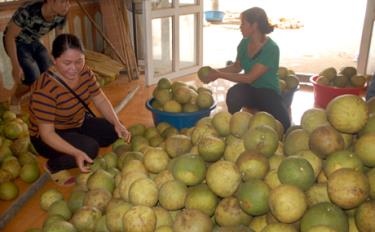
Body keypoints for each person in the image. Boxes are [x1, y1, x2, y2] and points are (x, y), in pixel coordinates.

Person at [29, 33, 131, 186]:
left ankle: (80, 142)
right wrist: (75, 152)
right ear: (54, 59)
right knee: (90, 149)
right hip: (48, 136)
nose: (74, 68)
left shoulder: (85, 73)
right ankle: (54, 166)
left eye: (79, 61)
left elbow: (100, 99)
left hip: (76, 123)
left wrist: (117, 123)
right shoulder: (45, 89)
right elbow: (47, 134)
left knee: (113, 130)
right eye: (67, 63)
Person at [203, 7, 291, 130]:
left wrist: (219, 74)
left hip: (268, 92)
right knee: (233, 95)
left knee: (285, 125)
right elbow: (236, 67)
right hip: (251, 89)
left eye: (243, 23)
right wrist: (215, 71)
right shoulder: (244, 43)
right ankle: (235, 126)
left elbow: (249, 78)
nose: (240, 27)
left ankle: (260, 111)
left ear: (254, 25)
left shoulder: (271, 48)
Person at [3, 0, 70, 114]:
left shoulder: (61, 14)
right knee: (33, 76)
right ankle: (15, 98)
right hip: (16, 42)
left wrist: (59, 59)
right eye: (63, 1)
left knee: (50, 74)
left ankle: (48, 104)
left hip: (33, 41)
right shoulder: (27, 10)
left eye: (68, 1)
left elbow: (59, 38)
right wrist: (15, 65)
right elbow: (10, 37)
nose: (67, 6)